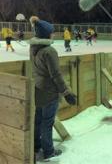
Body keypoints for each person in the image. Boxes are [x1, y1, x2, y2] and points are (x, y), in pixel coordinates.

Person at [29, 16, 77, 161]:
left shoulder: (34, 47)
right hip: (49, 91)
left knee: (38, 120)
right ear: (46, 34)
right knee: (47, 122)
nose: (54, 34)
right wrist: (66, 92)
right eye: (52, 31)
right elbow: (56, 75)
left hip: (38, 89)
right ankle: (48, 151)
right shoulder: (49, 51)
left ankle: (36, 146)